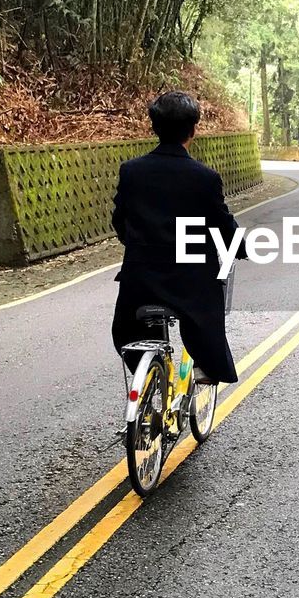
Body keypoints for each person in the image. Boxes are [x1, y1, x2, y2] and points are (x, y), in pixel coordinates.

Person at [111, 91, 243, 385]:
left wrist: (137, 243)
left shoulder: (131, 171)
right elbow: (222, 223)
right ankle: (206, 368)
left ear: (154, 127)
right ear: (193, 129)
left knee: (126, 331)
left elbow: (119, 219)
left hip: (141, 282)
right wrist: (240, 247)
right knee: (207, 318)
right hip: (188, 282)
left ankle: (149, 380)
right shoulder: (204, 177)